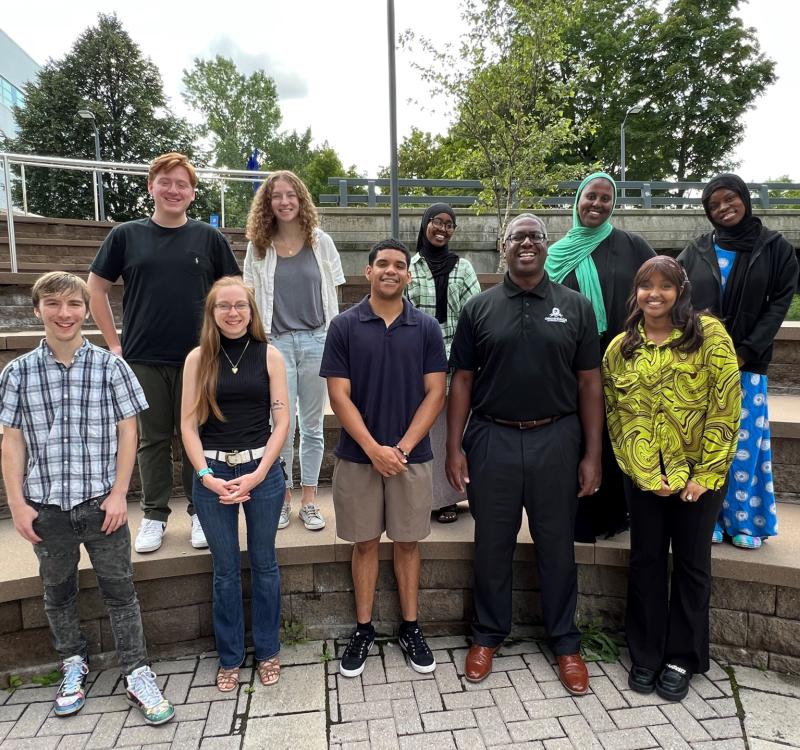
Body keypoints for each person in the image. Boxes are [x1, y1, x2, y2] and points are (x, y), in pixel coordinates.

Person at [0, 272, 174, 724]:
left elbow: (129, 432)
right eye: (54, 304)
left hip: (102, 505)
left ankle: (136, 669)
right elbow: (12, 441)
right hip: (47, 509)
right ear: (36, 309)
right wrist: (18, 504)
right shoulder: (17, 373)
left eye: (74, 304)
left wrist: (121, 494)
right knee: (57, 593)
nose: (64, 313)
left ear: (86, 310)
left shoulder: (110, 367)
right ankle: (72, 663)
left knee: (121, 592)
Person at [447, 214, 603, 694]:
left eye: (536, 236)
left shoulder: (575, 307)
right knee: (492, 544)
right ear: (504, 246)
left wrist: (592, 454)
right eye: (518, 237)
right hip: (492, 439)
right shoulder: (479, 308)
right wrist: (454, 446)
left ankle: (565, 643)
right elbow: (463, 381)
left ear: (546, 244)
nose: (528, 243)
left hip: (556, 438)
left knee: (557, 546)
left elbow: (590, 383)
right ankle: (488, 635)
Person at [88, 152, 241, 554]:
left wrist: (228, 342)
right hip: (143, 356)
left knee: (197, 437)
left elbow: (234, 292)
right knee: (151, 440)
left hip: (200, 357)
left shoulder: (208, 238)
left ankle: (200, 513)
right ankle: (154, 516)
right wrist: (114, 343)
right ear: (151, 186)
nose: (174, 190)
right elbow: (96, 287)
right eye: (166, 182)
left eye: (183, 184)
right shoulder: (125, 235)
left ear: (192, 194)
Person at [603, 255, 740, 701]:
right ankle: (645, 652)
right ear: (636, 293)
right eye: (646, 286)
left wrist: (706, 473)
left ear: (680, 290)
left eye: (665, 286)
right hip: (643, 478)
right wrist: (643, 473)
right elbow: (617, 421)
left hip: (699, 478)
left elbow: (725, 408)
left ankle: (683, 655)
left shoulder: (709, 337)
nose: (655, 294)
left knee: (691, 564)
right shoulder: (620, 349)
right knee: (644, 561)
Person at [320, 239, 447, 678]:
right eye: (383, 264)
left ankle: (411, 627)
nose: (391, 271)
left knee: (409, 543)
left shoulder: (427, 328)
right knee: (366, 543)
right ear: (368, 271)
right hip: (359, 457)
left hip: (412, 456)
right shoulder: (344, 326)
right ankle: (363, 628)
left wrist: (403, 449)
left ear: (408, 275)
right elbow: (339, 394)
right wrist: (374, 449)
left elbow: (436, 393)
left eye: (399, 265)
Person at [181, 277, 289, 692]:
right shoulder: (198, 359)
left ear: (250, 310)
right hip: (212, 475)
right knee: (224, 570)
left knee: (264, 564)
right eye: (223, 306)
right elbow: (188, 426)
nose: (232, 312)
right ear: (212, 313)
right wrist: (206, 478)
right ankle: (230, 656)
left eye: (240, 305)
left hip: (260, 473)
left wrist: (262, 471)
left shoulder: (270, 356)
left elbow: (282, 421)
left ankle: (268, 650)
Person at [679, 174, 799, 550]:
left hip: (747, 365)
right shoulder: (697, 249)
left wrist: (744, 350)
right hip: (700, 366)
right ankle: (709, 516)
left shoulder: (775, 248)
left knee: (743, 445)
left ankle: (744, 520)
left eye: (730, 200)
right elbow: (675, 296)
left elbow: (778, 305)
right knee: (703, 442)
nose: (723, 208)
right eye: (714, 205)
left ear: (745, 199)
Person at [546, 171, 655, 542]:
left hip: (623, 357)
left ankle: (613, 513)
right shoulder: (556, 253)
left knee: (616, 434)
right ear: (577, 201)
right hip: (572, 362)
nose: (597, 204)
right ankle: (577, 515)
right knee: (578, 434)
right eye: (591, 196)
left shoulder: (632, 245)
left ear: (613, 205)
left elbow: (660, 288)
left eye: (606, 198)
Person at [244, 170, 345, 533]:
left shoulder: (322, 242)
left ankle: (310, 501)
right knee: (281, 427)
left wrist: (335, 339)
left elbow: (334, 293)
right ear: (267, 203)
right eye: (276, 196)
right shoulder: (259, 246)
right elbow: (250, 299)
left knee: (313, 426)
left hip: (318, 340)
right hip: (277, 344)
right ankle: (284, 499)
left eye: (291, 195)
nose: (284, 202)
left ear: (301, 199)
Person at [406, 203, 481, 523]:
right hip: (420, 358)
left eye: (449, 224)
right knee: (432, 430)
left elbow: (474, 311)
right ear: (425, 225)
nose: (442, 228)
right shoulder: (410, 266)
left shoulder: (463, 267)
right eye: (437, 222)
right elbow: (403, 311)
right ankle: (435, 499)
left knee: (459, 428)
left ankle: (461, 495)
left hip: (459, 357)